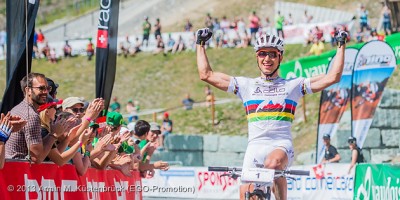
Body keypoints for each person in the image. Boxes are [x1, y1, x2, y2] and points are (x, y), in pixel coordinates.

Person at [196, 27, 347, 200]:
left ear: (280, 57)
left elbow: (333, 77)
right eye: (262, 54)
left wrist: (340, 45)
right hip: (254, 147)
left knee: (272, 164)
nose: (267, 59)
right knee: (249, 196)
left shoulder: (293, 85)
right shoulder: (246, 86)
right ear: (257, 57)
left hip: (280, 145)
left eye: (272, 54)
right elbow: (206, 74)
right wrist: (200, 43)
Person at [5, 73, 66, 163]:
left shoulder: (18, 108)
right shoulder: (32, 116)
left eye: (47, 88)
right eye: (41, 88)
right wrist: (53, 134)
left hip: (12, 169)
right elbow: (37, 158)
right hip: (19, 172)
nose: (46, 92)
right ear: (28, 90)